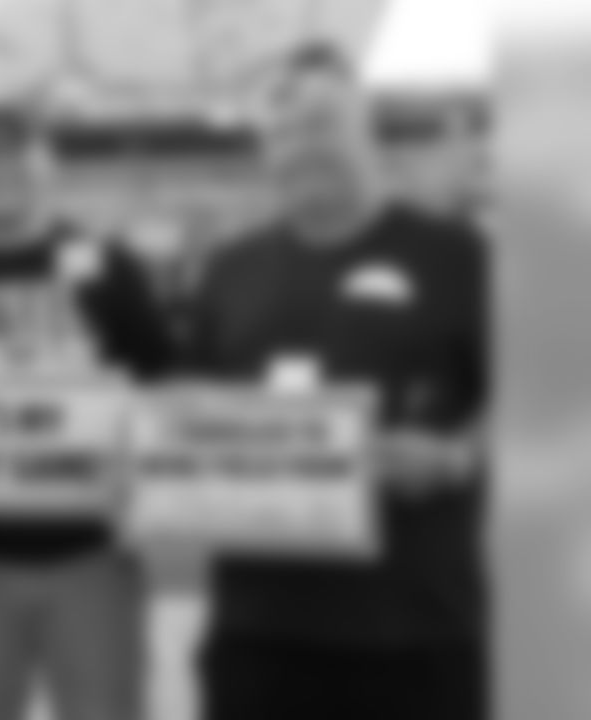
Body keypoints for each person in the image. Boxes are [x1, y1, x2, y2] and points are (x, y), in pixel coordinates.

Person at [188, 45, 491, 720]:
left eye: (322, 123)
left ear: (367, 128)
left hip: (416, 632)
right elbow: (195, 412)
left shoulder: (461, 258)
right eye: (282, 131)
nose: (302, 146)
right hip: (257, 632)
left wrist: (457, 456)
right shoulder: (229, 270)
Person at [0, 102, 174, 720]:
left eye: (17, 156)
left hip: (94, 554)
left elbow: (163, 390)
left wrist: (147, 483)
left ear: (51, 167)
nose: (0, 172)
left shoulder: (110, 267)